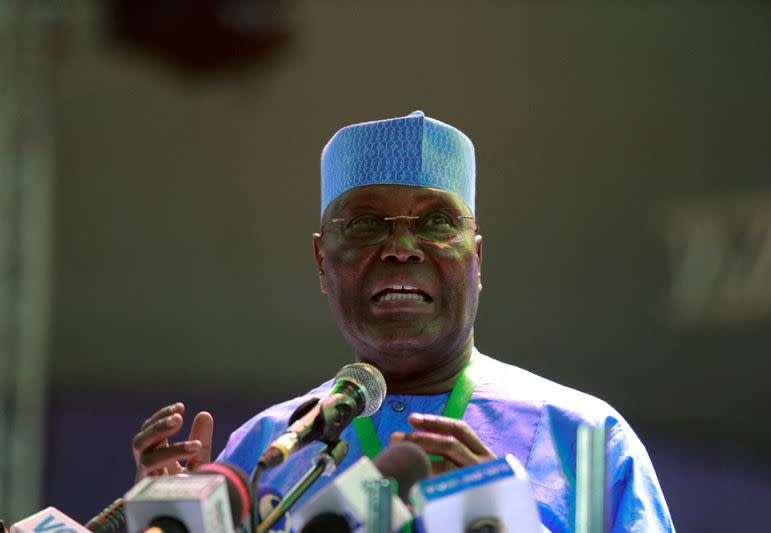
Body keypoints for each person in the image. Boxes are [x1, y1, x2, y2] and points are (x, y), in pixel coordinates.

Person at [131, 111, 674, 532]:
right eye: (366, 224)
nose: (401, 247)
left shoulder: (584, 439)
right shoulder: (265, 455)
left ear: (476, 259)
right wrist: (167, 520)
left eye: (436, 221)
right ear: (323, 261)